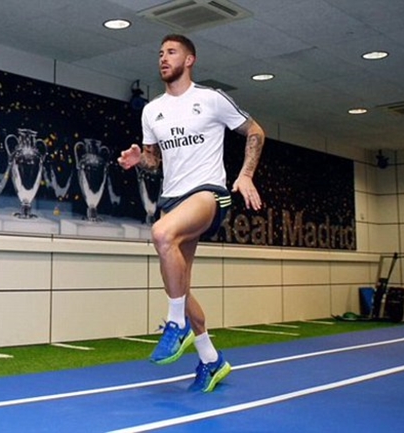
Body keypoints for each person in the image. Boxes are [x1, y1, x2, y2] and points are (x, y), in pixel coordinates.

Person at [118, 34, 265, 392]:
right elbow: (154, 160)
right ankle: (211, 360)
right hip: (171, 199)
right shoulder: (152, 110)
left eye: (171, 52)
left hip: (208, 194)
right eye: (160, 53)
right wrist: (140, 160)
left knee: (161, 234)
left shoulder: (210, 99)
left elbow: (255, 131)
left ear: (189, 60)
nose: (163, 58)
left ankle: (176, 324)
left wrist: (245, 174)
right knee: (179, 286)